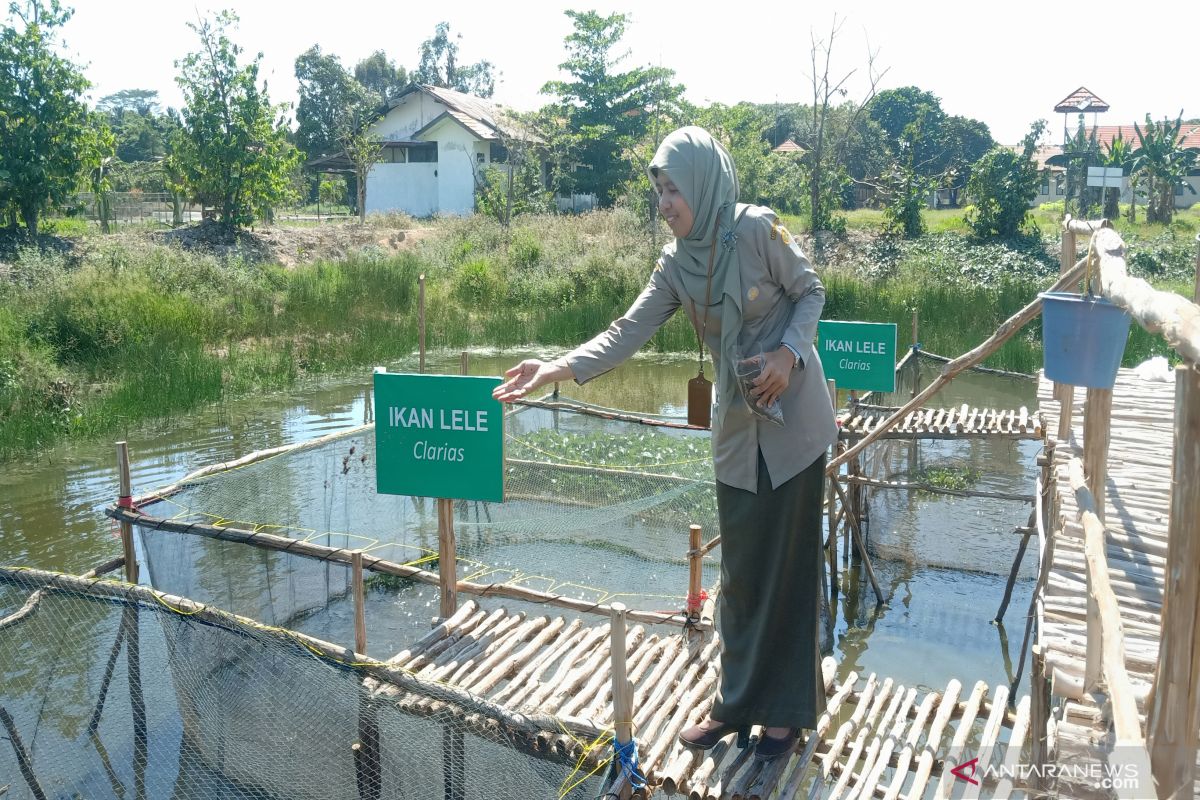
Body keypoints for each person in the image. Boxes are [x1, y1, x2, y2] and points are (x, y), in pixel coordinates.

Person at [492, 126, 837, 760]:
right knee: (739, 573)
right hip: (739, 432)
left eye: (673, 189)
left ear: (704, 186)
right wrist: (553, 369)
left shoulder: (758, 230)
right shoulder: (677, 265)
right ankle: (735, 707)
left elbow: (811, 291)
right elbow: (626, 332)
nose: (664, 204)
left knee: (787, 570)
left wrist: (789, 354)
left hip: (797, 429)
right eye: (658, 191)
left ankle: (785, 717)